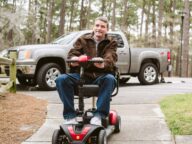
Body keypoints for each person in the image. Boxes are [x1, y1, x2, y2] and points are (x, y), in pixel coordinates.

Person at [55, 16, 118, 126]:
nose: (99, 28)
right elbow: (73, 54)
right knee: (61, 79)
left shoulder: (111, 42)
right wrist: (74, 60)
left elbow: (111, 57)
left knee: (110, 79)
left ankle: (99, 115)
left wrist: (102, 64)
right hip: (83, 76)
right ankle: (70, 116)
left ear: (107, 29)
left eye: (102, 26)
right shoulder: (83, 39)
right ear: (93, 27)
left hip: (102, 76)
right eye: (97, 25)